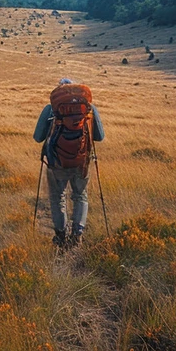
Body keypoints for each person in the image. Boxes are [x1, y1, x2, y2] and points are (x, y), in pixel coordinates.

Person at [34, 78, 105, 248]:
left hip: (56, 162)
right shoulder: (89, 109)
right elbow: (99, 137)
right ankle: (77, 235)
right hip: (82, 162)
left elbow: (38, 138)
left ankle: (60, 236)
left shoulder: (51, 109)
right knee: (80, 196)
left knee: (58, 197)